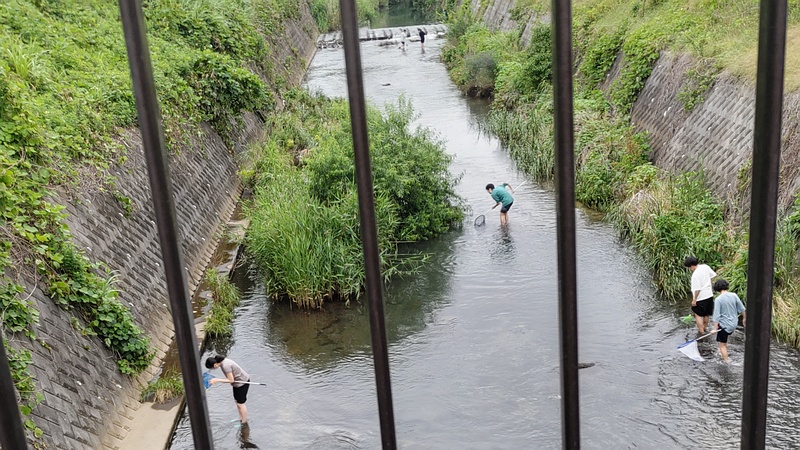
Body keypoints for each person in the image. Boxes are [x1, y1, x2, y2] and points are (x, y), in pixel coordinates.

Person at [206, 355, 251, 424]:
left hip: (242, 383)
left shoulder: (225, 366)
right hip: (237, 384)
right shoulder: (221, 362)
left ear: (215, 365)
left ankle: (244, 422)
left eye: (212, 368)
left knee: (240, 404)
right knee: (237, 402)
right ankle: (241, 419)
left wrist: (217, 380)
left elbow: (231, 380)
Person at [711, 279, 746, 363]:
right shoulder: (734, 295)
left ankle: (727, 362)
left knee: (722, 345)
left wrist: (715, 329)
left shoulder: (718, 300)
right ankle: (723, 353)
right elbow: (742, 309)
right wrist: (744, 318)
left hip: (724, 326)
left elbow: (716, 316)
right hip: (733, 324)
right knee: (724, 341)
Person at [683, 256, 717, 334]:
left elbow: (697, 289)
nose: (689, 269)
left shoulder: (695, 275)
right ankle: (705, 329)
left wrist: (694, 299)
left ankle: (701, 332)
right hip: (709, 295)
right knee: (706, 314)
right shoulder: (705, 267)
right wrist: (709, 283)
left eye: (689, 267)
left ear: (691, 265)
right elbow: (714, 275)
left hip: (701, 297)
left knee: (698, 315)